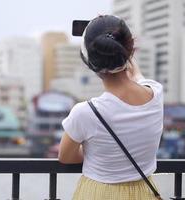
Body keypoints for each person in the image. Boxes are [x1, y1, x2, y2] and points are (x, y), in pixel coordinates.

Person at [58, 15, 163, 200]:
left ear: (89, 62)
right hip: (143, 193)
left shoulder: (85, 112)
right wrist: (126, 54)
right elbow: (137, 76)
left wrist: (98, 154)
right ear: (129, 53)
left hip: (98, 194)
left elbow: (65, 157)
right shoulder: (155, 94)